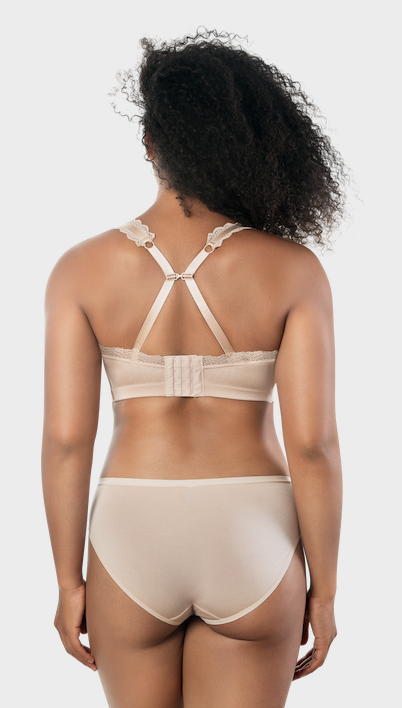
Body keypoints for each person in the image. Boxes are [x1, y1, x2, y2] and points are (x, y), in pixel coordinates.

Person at [42, 29, 345, 708]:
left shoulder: (80, 270)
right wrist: (324, 591)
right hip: (252, 532)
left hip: (132, 530)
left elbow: (66, 440)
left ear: (151, 143)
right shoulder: (292, 270)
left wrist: (67, 581)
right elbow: (314, 446)